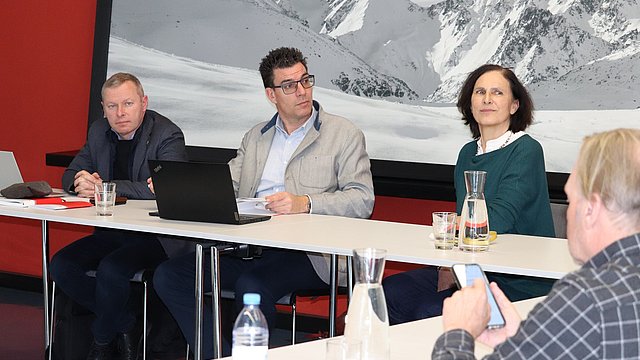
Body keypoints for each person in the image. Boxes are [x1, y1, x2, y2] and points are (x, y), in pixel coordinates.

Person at [153, 47, 374, 358]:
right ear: (271, 95)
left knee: (251, 285)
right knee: (170, 275)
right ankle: (220, 354)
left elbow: (362, 199)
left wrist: (306, 202)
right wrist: (179, 187)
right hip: (249, 247)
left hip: (309, 254)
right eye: (289, 86)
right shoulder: (256, 136)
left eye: (305, 81)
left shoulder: (344, 134)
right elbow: (227, 183)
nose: (301, 91)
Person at [433, 128, 640, 359]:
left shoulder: (585, 299)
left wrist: (458, 333)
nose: (567, 214)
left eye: (571, 201)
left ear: (591, 209)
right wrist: (523, 342)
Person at [383, 64, 555, 325]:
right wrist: (448, 265)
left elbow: (495, 221)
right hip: (472, 269)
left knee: (430, 312)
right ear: (470, 103)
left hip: (517, 279)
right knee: (390, 293)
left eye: (497, 92)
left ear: (514, 106)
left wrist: (451, 233)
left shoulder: (526, 150)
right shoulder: (467, 152)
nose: (487, 99)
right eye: (480, 92)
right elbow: (465, 222)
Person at [49, 72, 188, 360]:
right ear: (103, 108)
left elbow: (165, 190)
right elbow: (70, 174)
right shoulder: (99, 131)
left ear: (143, 102)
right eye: (112, 106)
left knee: (112, 269)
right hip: (111, 230)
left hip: (154, 237)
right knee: (61, 265)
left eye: (127, 104)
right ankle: (125, 323)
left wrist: (106, 188)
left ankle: (101, 342)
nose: (120, 113)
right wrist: (80, 182)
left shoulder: (167, 134)